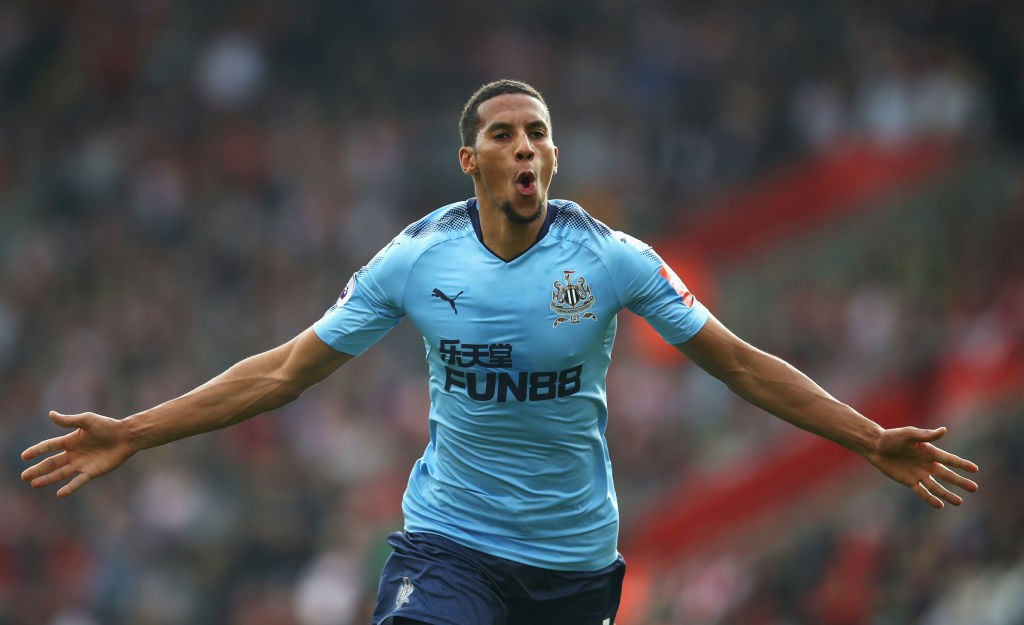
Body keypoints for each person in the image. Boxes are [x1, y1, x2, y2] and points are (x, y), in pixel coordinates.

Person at [21, 79, 980, 625]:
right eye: (502, 135)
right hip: (452, 544)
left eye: (538, 134)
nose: (524, 148)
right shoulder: (416, 257)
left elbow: (739, 361)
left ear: (553, 157)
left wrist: (866, 437)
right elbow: (283, 370)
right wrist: (136, 433)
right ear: (470, 160)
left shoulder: (611, 260)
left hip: (574, 563)